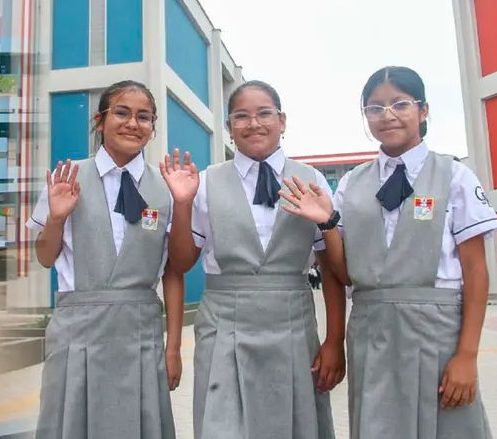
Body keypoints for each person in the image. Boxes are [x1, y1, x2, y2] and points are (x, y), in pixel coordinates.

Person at [279, 66, 497, 438]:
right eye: (375, 108)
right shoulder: (353, 184)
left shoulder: (454, 176)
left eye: (400, 104)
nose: (387, 115)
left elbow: (476, 271)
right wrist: (329, 223)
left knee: (448, 425)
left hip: (439, 330)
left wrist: (467, 355)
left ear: (423, 110)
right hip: (372, 331)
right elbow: (343, 273)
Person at [161, 79, 343, 439]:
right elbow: (180, 264)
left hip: (292, 325)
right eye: (241, 116)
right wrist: (182, 204)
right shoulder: (206, 181)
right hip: (224, 325)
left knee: (296, 425)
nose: (254, 124)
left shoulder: (312, 180)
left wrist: (334, 341)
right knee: (222, 425)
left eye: (264, 113)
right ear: (229, 128)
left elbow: (333, 271)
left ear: (283, 121)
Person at [27, 79, 184, 439]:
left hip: (140, 331)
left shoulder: (165, 189)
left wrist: (172, 347)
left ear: (152, 127)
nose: (133, 123)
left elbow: (173, 273)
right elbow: (45, 258)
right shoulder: (67, 179)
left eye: (144, 116)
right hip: (78, 330)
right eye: (122, 113)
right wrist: (56, 217)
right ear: (100, 121)